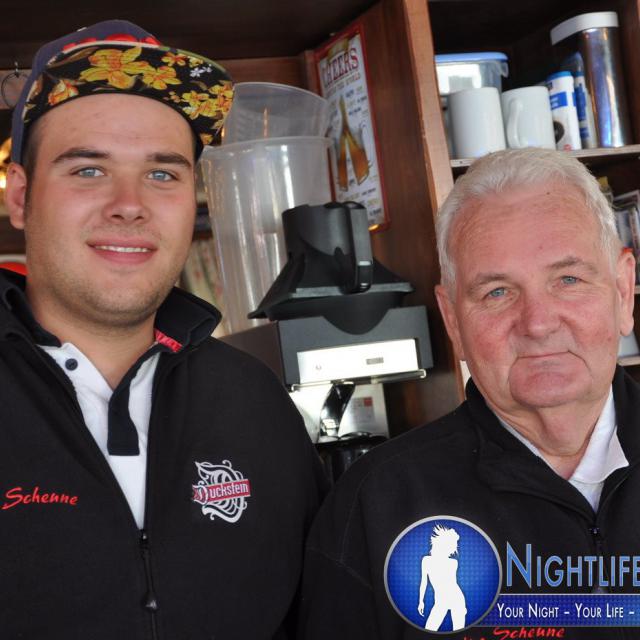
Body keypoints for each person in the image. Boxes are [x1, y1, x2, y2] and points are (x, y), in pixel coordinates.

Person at [1, 20, 327, 639]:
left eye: (162, 174)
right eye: (88, 170)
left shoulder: (256, 401)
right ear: (20, 197)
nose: (130, 204)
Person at [298, 148, 640, 639]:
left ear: (623, 291)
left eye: (568, 279)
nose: (538, 323)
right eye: (497, 292)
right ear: (453, 319)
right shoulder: (375, 508)